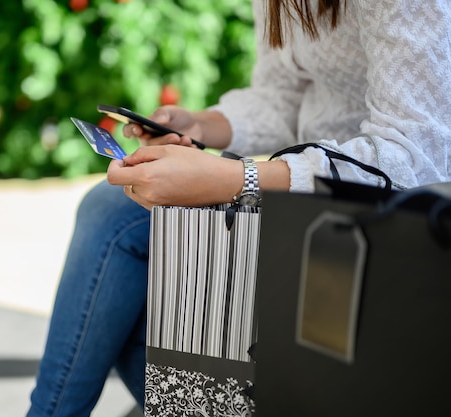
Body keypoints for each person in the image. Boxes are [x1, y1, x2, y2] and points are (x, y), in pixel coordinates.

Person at [26, 0, 451, 415]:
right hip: (307, 191)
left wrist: (235, 179)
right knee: (113, 221)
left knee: (121, 263)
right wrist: (200, 125)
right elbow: (282, 94)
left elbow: (415, 155)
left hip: (384, 213)